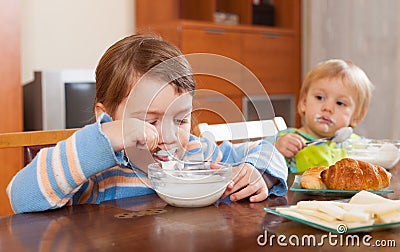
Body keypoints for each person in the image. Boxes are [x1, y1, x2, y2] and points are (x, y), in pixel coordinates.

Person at [7, 34, 288, 213]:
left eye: (180, 119)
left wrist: (257, 173)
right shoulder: (98, 171)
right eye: (150, 120)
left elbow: (266, 150)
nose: (168, 135)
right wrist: (103, 138)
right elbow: (20, 197)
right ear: (106, 117)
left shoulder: (196, 152)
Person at [274, 59, 374, 173]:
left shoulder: (359, 146)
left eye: (340, 103)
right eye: (320, 98)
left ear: (357, 116)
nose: (328, 108)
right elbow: (256, 158)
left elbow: (384, 154)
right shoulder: (286, 139)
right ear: (304, 103)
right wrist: (275, 149)